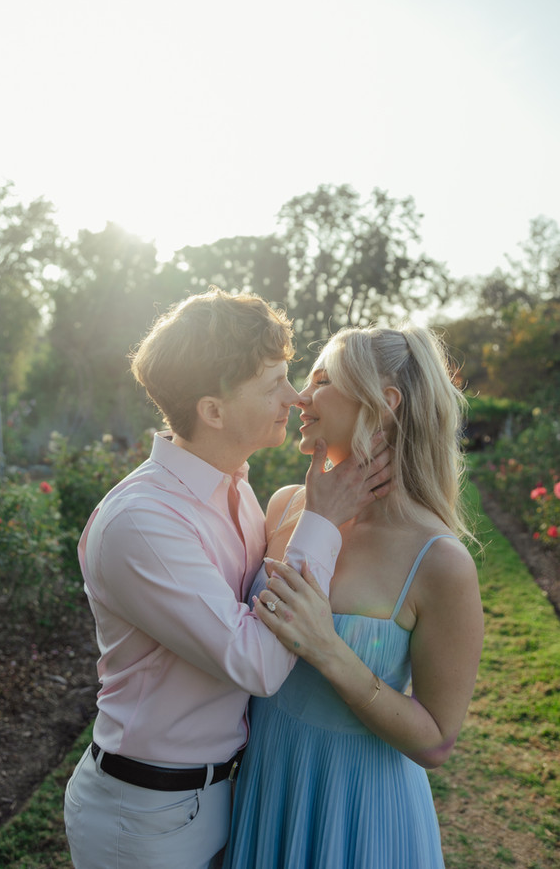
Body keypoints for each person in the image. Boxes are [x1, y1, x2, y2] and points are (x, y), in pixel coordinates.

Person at [63, 288, 392, 869]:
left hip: (222, 795)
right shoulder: (143, 522)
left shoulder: (236, 489)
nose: (294, 398)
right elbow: (258, 664)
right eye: (273, 384)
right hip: (146, 818)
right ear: (213, 411)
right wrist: (322, 520)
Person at [223, 324, 484, 869]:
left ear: (383, 403)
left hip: (359, 809)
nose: (299, 396)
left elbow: (436, 743)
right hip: (265, 788)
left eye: (321, 381)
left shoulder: (439, 561)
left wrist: (329, 650)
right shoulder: (286, 507)